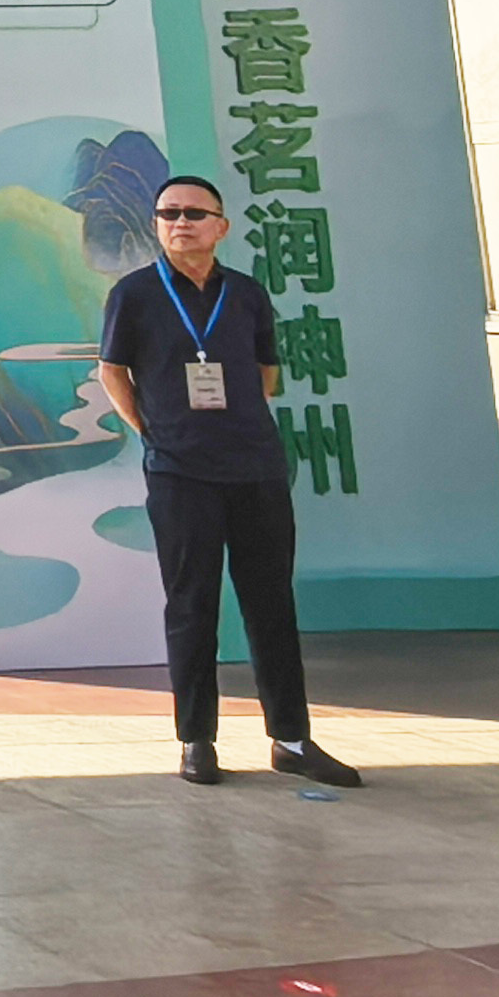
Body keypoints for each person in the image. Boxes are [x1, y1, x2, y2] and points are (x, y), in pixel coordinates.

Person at [100, 173, 360, 789]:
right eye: (168, 213)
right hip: (179, 473)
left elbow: (266, 373)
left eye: (194, 213)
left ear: (221, 226)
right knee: (192, 606)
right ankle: (197, 740)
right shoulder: (134, 294)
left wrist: (236, 424)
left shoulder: (244, 293)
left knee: (272, 605)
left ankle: (291, 740)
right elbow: (113, 372)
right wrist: (154, 431)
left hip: (255, 469)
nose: (180, 223)